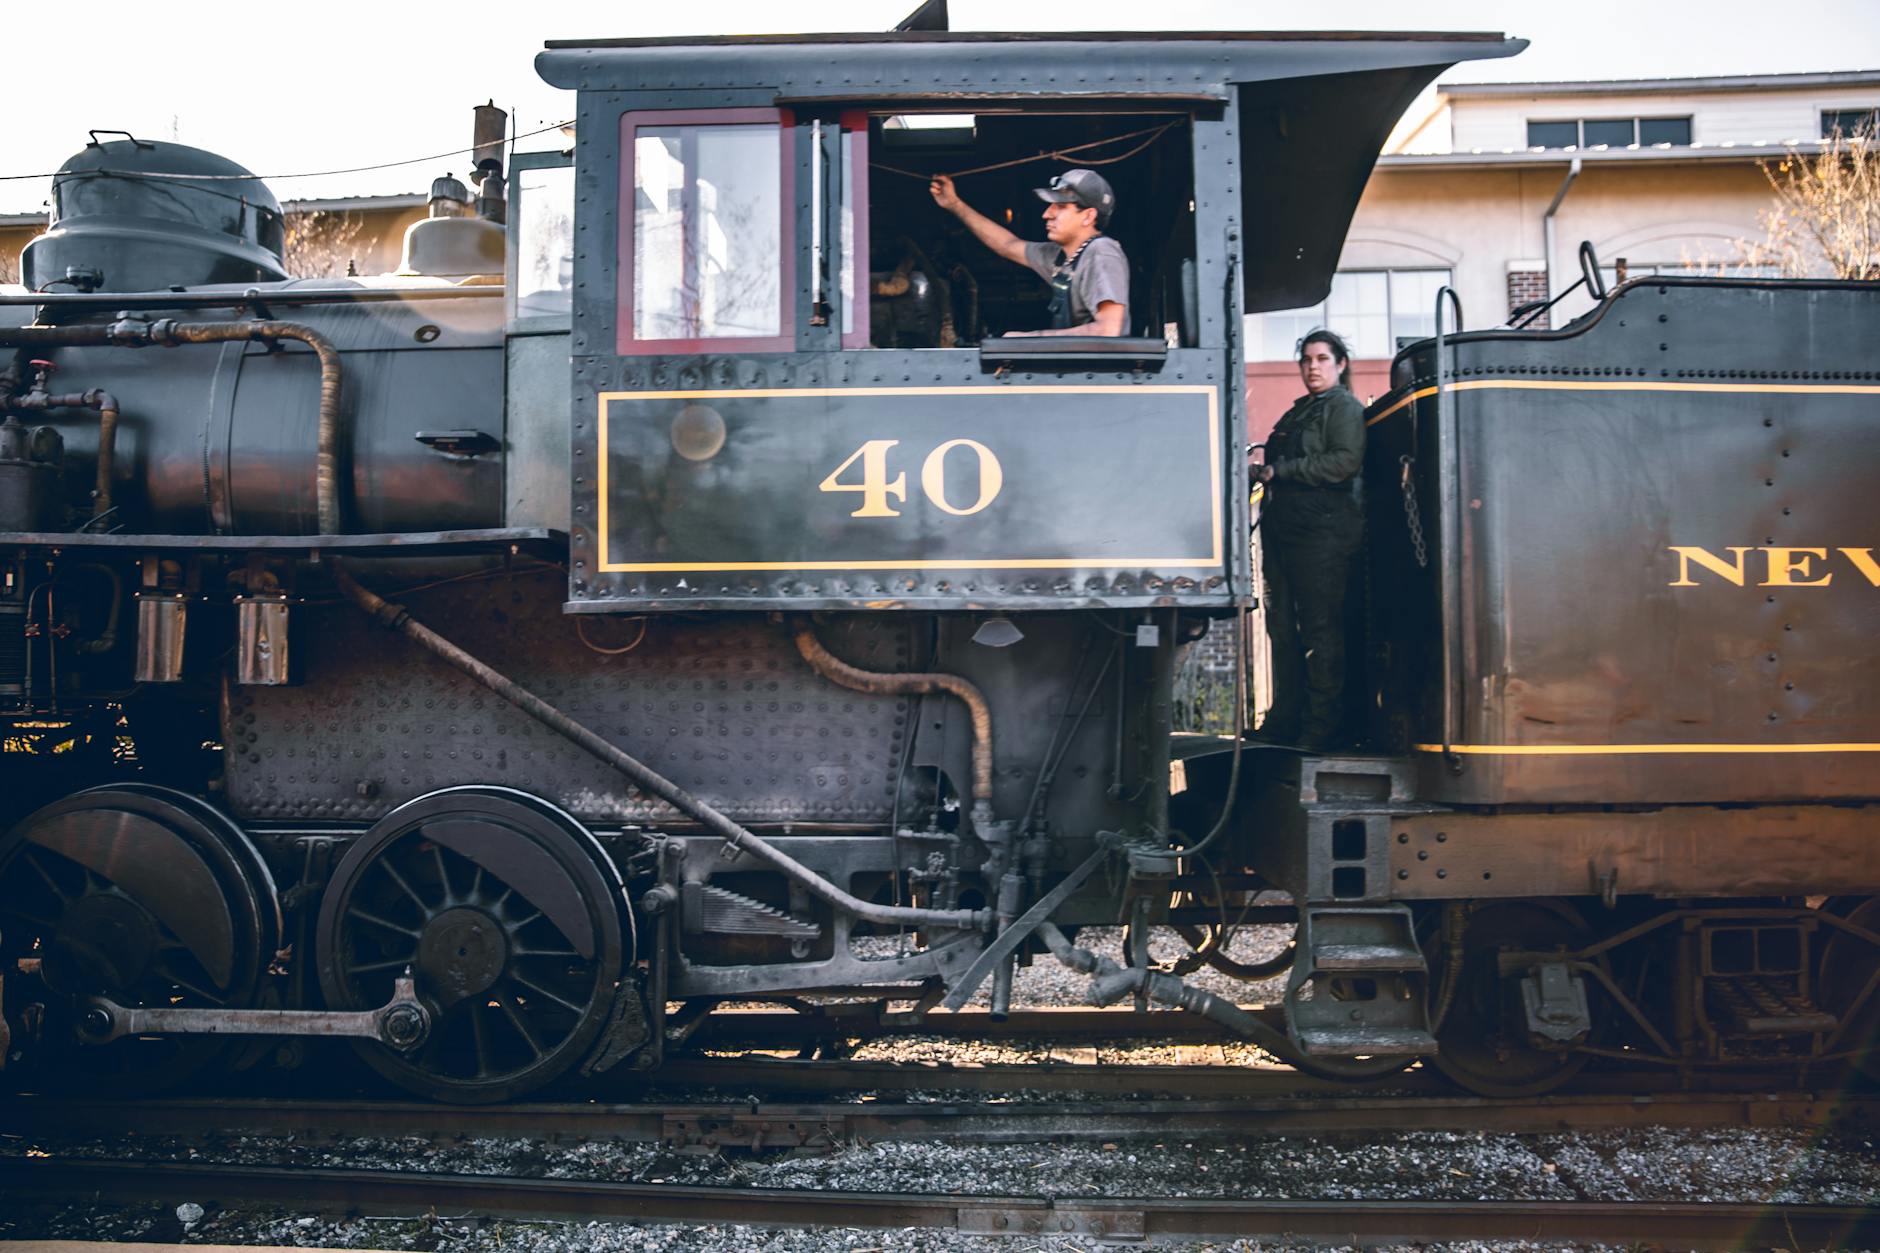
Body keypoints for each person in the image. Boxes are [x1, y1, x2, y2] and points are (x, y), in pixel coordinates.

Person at [1252, 330, 1365, 752]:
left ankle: (1322, 728)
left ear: (1340, 365)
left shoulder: (1344, 408)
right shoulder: (1299, 411)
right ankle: (1285, 719)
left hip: (1324, 535)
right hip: (1286, 530)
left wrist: (1282, 471)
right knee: (1281, 628)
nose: (1312, 367)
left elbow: (1344, 461)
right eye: (1306, 360)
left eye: (1321, 359)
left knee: (1321, 631)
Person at [929, 168, 1128, 336]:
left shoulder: (1101, 253)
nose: (1046, 214)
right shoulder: (1061, 256)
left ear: (1088, 216)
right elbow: (1006, 245)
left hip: (1099, 378)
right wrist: (954, 204)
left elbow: (1108, 330)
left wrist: (1031, 341)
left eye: (1060, 206)